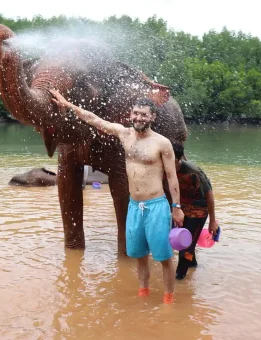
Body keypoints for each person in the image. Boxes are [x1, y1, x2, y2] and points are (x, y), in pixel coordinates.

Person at [49, 89, 184, 304]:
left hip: (156, 205)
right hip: (134, 206)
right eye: (136, 113)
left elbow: (172, 177)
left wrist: (176, 206)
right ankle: (143, 292)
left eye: (144, 114)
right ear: (131, 115)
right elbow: (94, 120)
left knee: (163, 256)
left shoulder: (162, 143)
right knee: (139, 254)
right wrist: (68, 104)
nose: (139, 117)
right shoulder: (124, 134)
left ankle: (168, 299)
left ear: (152, 117)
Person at [163, 140, 219, 280]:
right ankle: (193, 266)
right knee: (181, 241)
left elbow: (209, 196)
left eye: (172, 160)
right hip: (180, 209)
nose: (168, 163)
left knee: (185, 247)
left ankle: (180, 278)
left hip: (198, 211)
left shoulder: (193, 171)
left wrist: (212, 221)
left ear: (179, 159)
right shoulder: (162, 169)